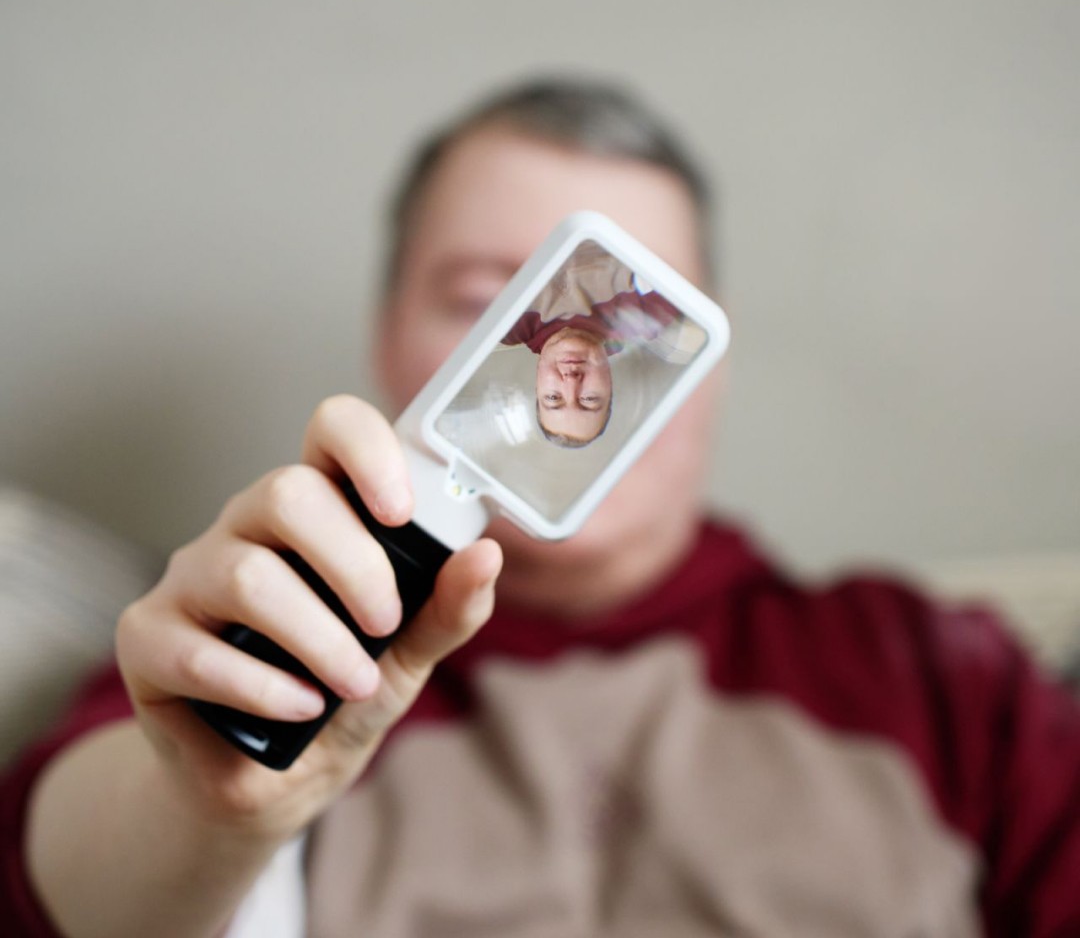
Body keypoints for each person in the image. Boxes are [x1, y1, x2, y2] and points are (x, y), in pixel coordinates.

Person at [2, 77, 1078, 937]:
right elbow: (52, 893)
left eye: (632, 317)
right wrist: (201, 810)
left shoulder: (939, 673)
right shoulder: (266, 637)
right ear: (390, 342)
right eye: (484, 302)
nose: (559, 360)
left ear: (709, 367)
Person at [500, 238, 685, 446]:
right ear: (609, 385)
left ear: (538, 385)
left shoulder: (500, 324)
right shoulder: (649, 312)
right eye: (588, 399)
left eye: (553, 397)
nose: (571, 382)